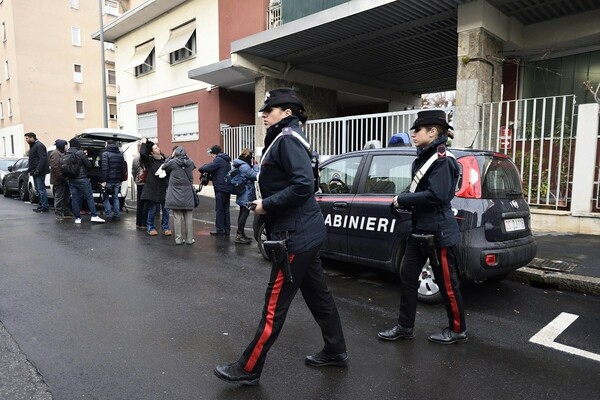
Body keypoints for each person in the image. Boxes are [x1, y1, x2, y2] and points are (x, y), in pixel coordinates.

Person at [214, 88, 347, 386]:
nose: (263, 113)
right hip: (304, 232)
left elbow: (303, 186)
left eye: (269, 109)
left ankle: (249, 367)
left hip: (296, 235)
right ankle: (336, 350)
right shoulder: (285, 138)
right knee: (319, 298)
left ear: (286, 113)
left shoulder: (287, 140)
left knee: (273, 305)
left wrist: (266, 205)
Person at [378, 109, 467, 345]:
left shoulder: (443, 160)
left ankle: (458, 329)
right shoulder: (425, 156)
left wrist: (403, 200)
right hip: (419, 231)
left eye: (417, 130)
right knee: (407, 277)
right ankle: (405, 327)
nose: (413, 134)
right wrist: (401, 198)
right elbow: (419, 190)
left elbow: (436, 195)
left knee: (447, 284)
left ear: (433, 131)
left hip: (438, 233)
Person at [65, 138, 105, 224]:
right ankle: (94, 216)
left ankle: (77, 218)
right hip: (82, 179)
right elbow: (89, 165)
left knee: (75, 199)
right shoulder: (80, 153)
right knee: (89, 196)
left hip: (72, 180)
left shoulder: (67, 153)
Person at [163, 146, 196, 245]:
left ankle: (178, 239)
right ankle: (189, 239)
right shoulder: (190, 162)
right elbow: (192, 167)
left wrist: (171, 157)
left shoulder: (173, 162)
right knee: (188, 217)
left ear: (175, 153)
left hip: (175, 193)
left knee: (177, 217)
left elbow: (164, 166)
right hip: (187, 192)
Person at [139, 138, 171, 236]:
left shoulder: (164, 160)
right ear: (151, 152)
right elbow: (143, 154)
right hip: (152, 188)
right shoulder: (149, 160)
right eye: (156, 148)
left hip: (163, 187)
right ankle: (150, 227)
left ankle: (165, 227)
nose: (159, 149)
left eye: (158, 147)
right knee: (152, 209)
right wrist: (143, 143)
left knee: (166, 209)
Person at [198, 144, 231, 237]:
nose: (211, 156)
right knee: (226, 209)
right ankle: (227, 229)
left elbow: (206, 168)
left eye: (212, 154)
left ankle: (220, 230)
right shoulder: (226, 160)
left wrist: (202, 168)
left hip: (220, 188)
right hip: (226, 187)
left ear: (214, 153)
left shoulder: (218, 160)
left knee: (220, 209)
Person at [231, 148, 259, 244]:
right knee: (245, 213)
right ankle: (239, 235)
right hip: (246, 192)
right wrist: (255, 165)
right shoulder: (244, 166)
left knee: (243, 212)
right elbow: (255, 175)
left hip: (243, 191)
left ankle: (241, 234)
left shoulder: (241, 164)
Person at [24, 132, 50, 212]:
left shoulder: (39, 146)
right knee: (38, 189)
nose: (26, 140)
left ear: (32, 138)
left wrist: (37, 170)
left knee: (41, 189)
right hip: (35, 171)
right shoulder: (34, 146)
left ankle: (44, 206)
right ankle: (41, 205)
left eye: (27, 138)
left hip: (39, 172)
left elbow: (43, 159)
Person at [100, 139, 125, 221]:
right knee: (115, 198)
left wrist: (104, 180)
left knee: (106, 197)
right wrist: (121, 179)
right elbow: (123, 169)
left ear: (107, 144)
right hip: (117, 180)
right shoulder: (120, 155)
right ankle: (117, 215)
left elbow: (105, 168)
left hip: (108, 180)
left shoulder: (105, 154)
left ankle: (109, 215)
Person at [49, 139, 73, 220]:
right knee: (59, 197)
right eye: (66, 145)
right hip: (59, 180)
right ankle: (58, 212)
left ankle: (66, 211)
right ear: (62, 145)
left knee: (66, 196)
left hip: (64, 179)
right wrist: (62, 177)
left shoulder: (61, 153)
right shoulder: (55, 154)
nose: (67, 147)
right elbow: (55, 168)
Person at [132, 150, 149, 229]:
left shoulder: (135, 159)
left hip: (139, 182)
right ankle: (144, 223)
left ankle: (138, 222)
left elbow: (133, 171)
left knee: (139, 203)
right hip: (146, 183)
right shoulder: (148, 159)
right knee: (146, 203)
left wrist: (136, 180)